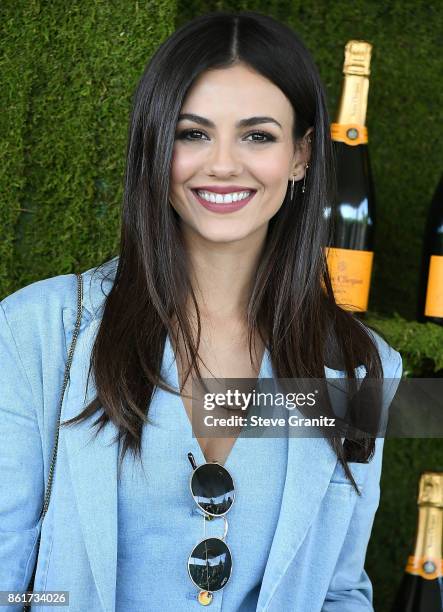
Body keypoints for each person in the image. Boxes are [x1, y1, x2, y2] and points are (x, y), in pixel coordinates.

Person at [0, 10, 402, 612]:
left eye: (258, 136)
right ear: (155, 147)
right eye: (192, 133)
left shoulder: (359, 366)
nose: (222, 163)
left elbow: (339, 592)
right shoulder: (36, 331)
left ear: (301, 156)